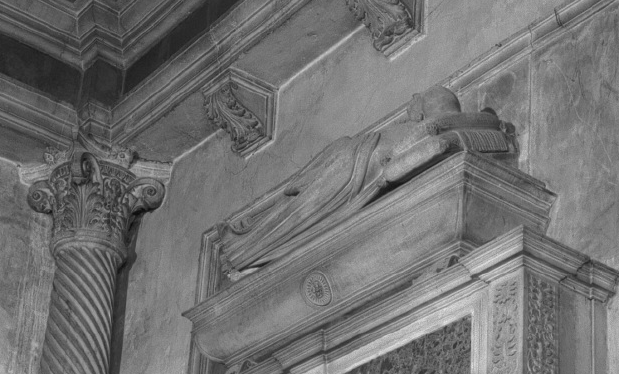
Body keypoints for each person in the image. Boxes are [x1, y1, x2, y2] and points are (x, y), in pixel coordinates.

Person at [217, 86, 513, 275]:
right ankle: (248, 241)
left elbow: (401, 167)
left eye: (415, 105)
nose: (409, 110)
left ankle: (244, 248)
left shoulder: (433, 132)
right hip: (354, 159)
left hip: (355, 168)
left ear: (423, 110)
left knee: (298, 212)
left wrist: (385, 169)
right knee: (297, 206)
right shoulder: (441, 127)